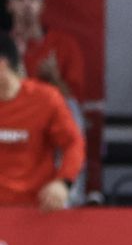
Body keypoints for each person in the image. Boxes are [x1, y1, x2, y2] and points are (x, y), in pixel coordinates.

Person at [0, 33, 84, 209]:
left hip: (36, 212)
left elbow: (73, 143)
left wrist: (63, 182)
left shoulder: (46, 99)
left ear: (3, 65)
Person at [7, 0, 86, 109]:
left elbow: (75, 102)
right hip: (12, 118)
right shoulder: (3, 45)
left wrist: (54, 79)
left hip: (50, 115)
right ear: (9, 5)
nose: (27, 4)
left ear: (42, 5)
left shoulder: (64, 44)